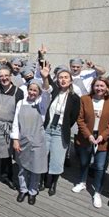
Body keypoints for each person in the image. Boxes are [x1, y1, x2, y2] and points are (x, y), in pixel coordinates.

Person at [72, 76, 109, 208]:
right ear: (93, 87)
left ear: (107, 88)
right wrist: (89, 136)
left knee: (99, 166)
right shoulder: (85, 99)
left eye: (102, 86)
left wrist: (103, 136)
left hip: (102, 138)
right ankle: (82, 181)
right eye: (97, 86)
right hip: (86, 136)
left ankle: (97, 191)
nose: (99, 88)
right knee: (84, 162)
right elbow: (79, 119)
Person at [11, 65, 52, 205]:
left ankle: (33, 191)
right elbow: (16, 122)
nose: (32, 92)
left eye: (35, 90)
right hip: (22, 141)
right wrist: (15, 139)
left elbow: (47, 93)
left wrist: (45, 78)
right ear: (27, 90)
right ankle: (23, 189)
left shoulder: (41, 105)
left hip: (37, 142)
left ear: (39, 92)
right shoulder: (20, 102)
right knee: (22, 168)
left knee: (35, 169)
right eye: (30, 89)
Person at [43, 66, 80, 196]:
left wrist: (63, 126)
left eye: (66, 77)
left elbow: (73, 117)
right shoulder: (54, 91)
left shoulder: (75, 98)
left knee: (57, 159)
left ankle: (53, 183)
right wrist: (42, 57)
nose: (63, 80)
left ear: (70, 80)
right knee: (43, 156)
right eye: (60, 77)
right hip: (47, 129)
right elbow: (46, 81)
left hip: (60, 131)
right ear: (57, 80)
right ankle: (43, 179)